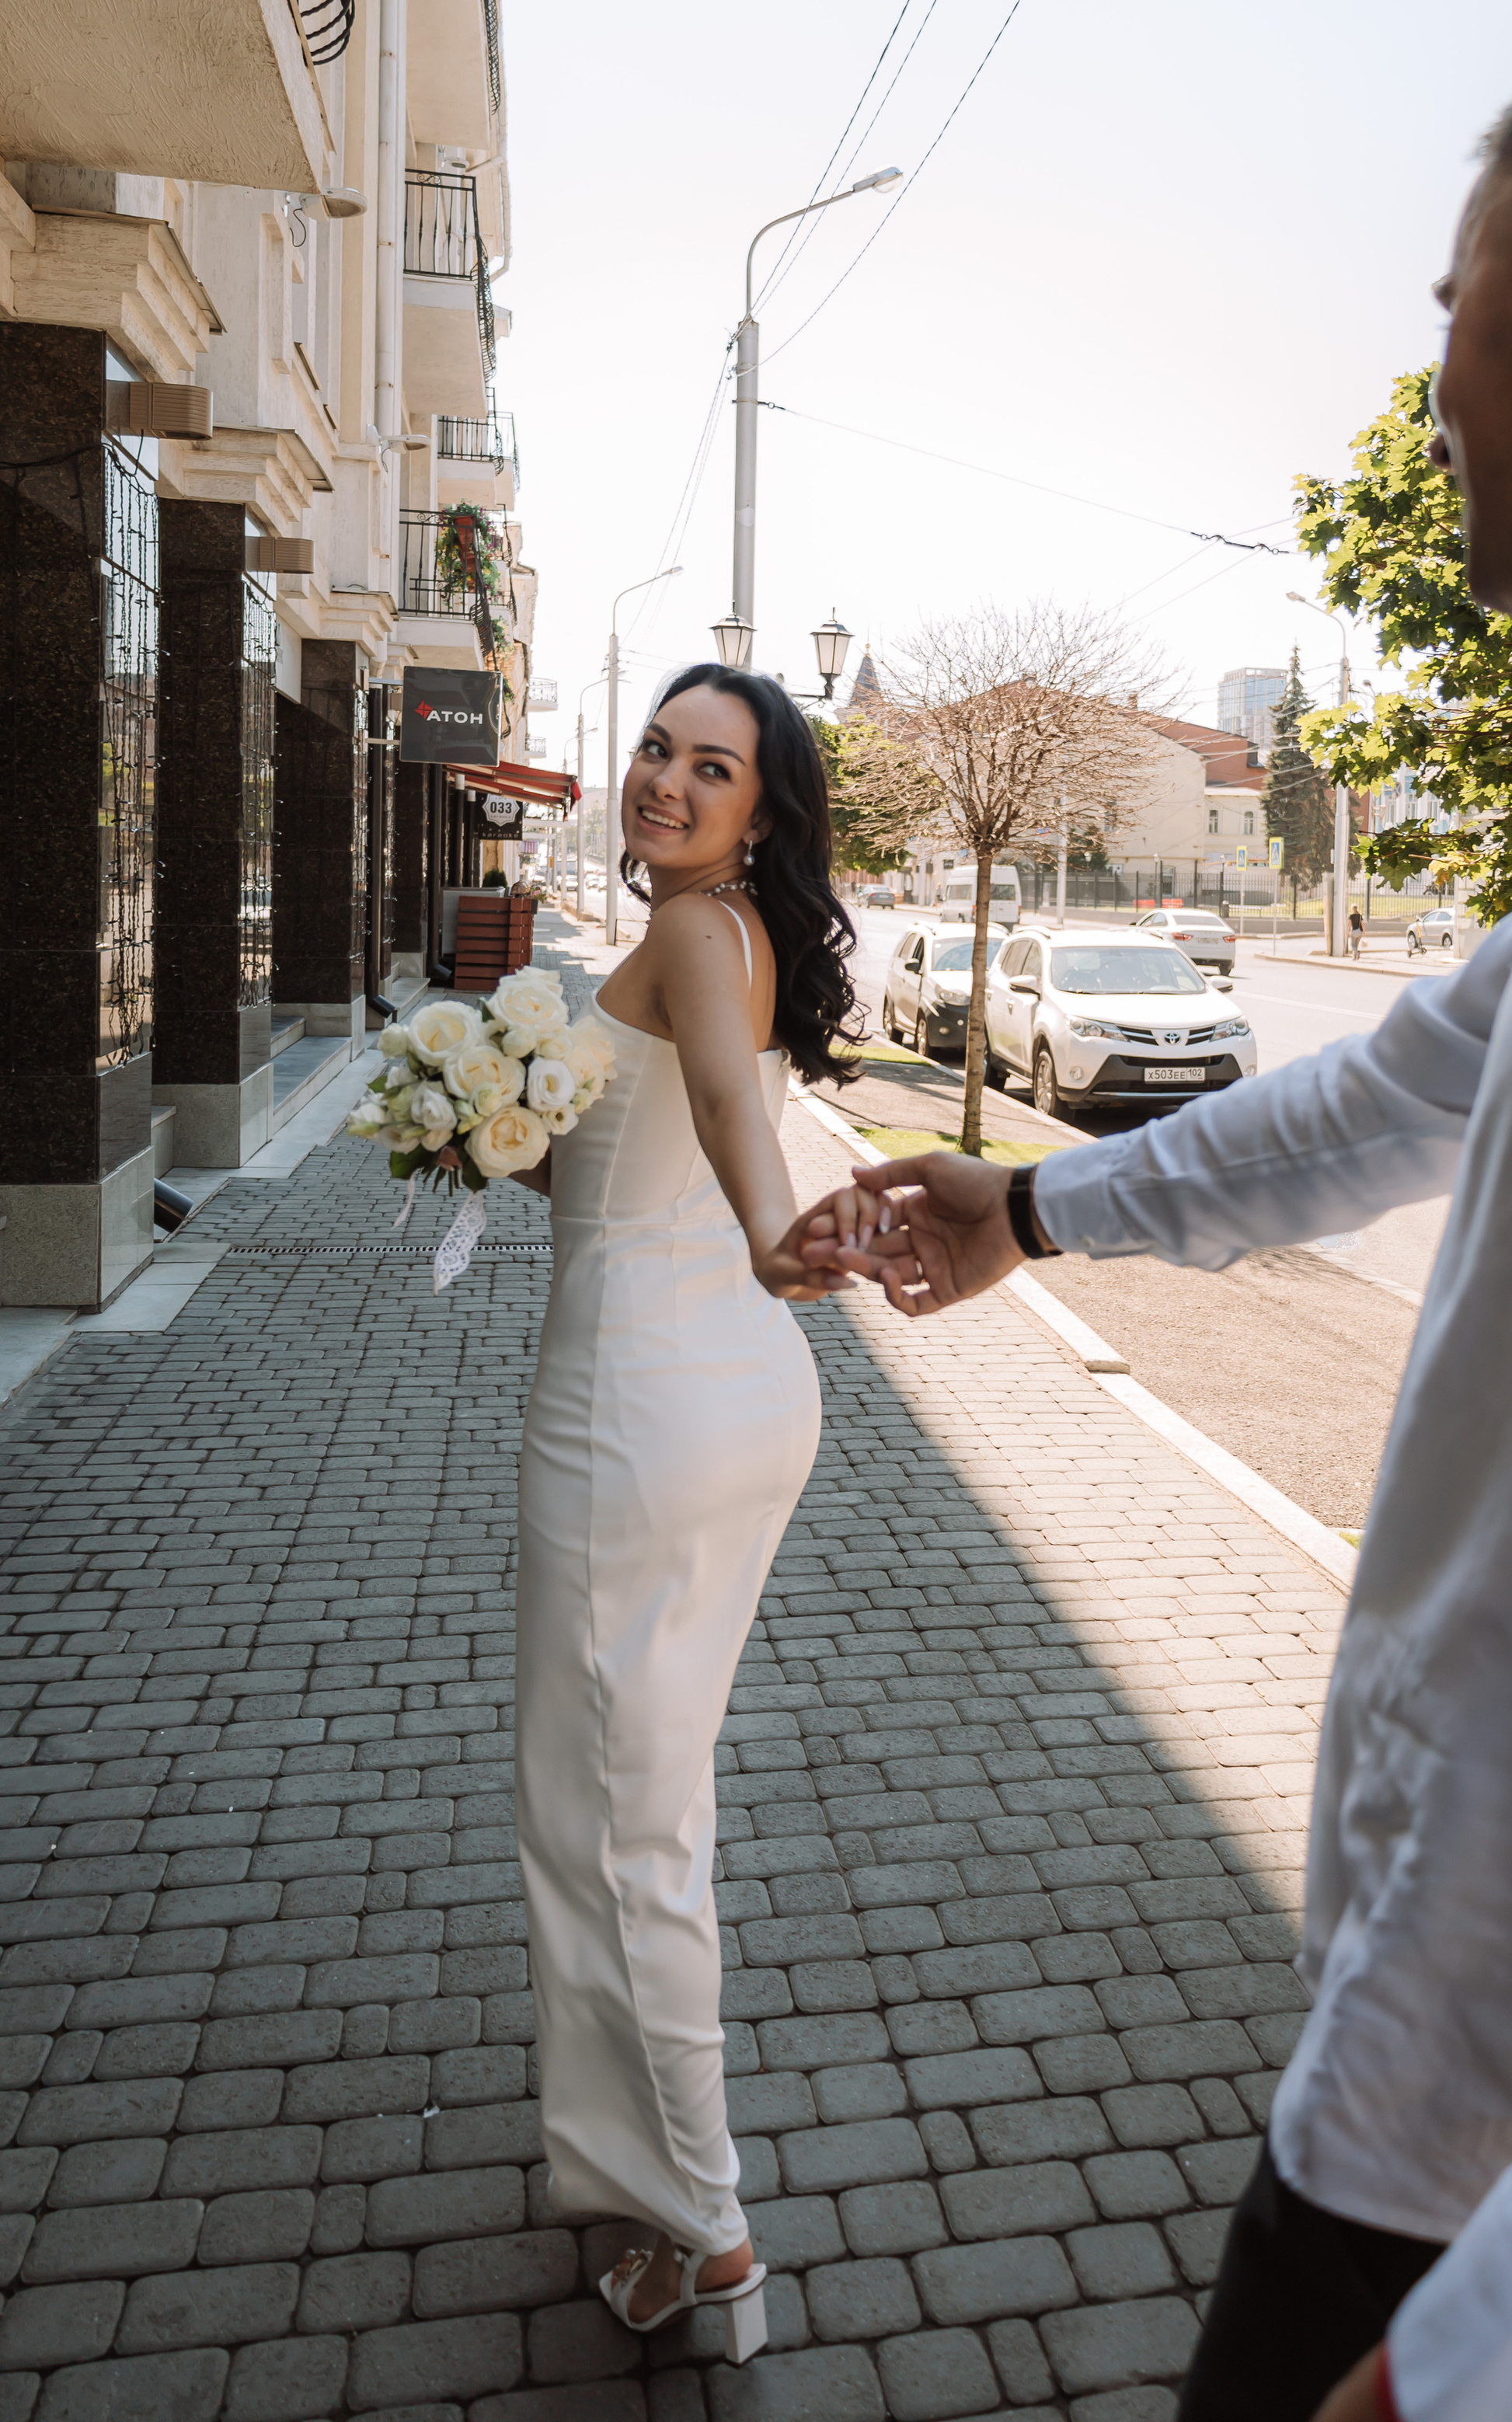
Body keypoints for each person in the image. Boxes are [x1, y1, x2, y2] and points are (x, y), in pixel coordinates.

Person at [786, 5, 1512, 2420]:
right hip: (1460, 2018)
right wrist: (1031, 1203)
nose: (1429, 381)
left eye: (1442, 303)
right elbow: (1390, 1098)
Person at [514, 665, 861, 2362]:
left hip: (639, 1407)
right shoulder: (726, 935)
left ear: (760, 813)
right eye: (655, 749)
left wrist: (774, 1234)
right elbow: (634, 1131)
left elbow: (725, 1105)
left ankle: (702, 2232)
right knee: (645, 1804)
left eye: (707, 768)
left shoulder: (693, 939)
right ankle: (646, 2183)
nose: (662, 780)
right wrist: (495, 1126)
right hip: (731, 1405)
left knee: (610, 1830)